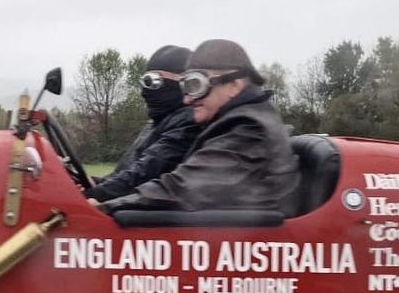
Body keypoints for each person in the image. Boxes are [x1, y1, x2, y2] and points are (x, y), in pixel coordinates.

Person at [98, 39, 300, 216]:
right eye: (184, 87)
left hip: (255, 249)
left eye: (196, 85)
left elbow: (183, 189)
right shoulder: (235, 124)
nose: (187, 99)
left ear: (235, 85)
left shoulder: (250, 130)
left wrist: (101, 208)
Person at [84, 45, 200, 202]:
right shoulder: (158, 123)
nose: (145, 92)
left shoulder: (188, 122)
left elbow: (144, 173)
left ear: (184, 84)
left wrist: (89, 196)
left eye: (152, 81)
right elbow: (125, 173)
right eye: (145, 81)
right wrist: (93, 183)